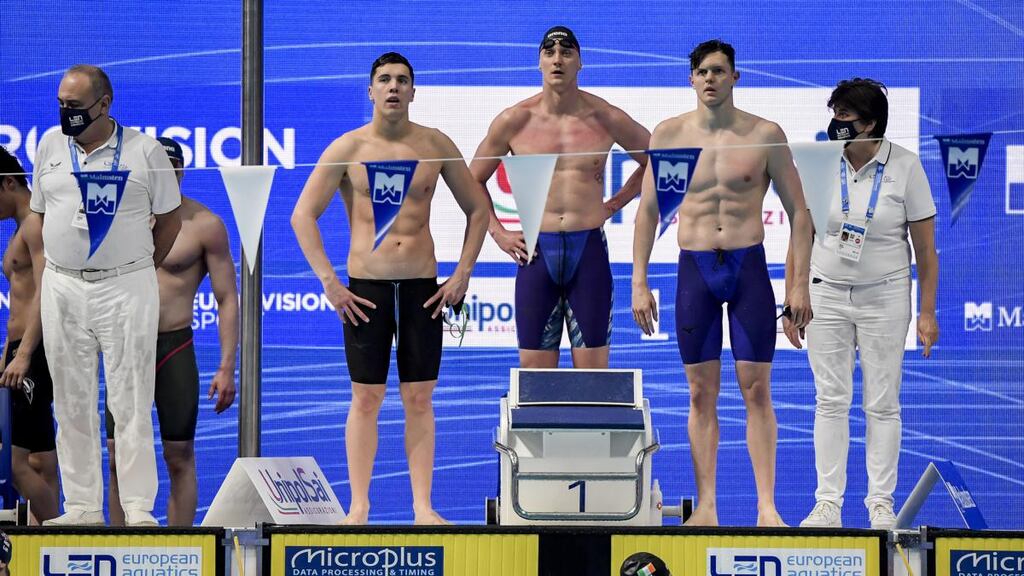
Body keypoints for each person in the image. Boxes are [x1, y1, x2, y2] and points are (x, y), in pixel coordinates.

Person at [291, 52, 489, 525]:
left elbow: (478, 210)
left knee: (420, 398)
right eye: (385, 80)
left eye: (402, 80)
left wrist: (462, 274)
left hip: (423, 288)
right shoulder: (348, 148)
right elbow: (302, 216)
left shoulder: (435, 144)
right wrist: (330, 284)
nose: (394, 87)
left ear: (414, 92)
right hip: (367, 291)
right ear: (371, 90)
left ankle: (423, 506)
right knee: (365, 398)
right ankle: (359, 505)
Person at [632, 39, 813, 526]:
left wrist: (799, 286)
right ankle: (707, 505)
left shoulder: (764, 135)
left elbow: (800, 215)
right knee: (699, 393)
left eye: (718, 71)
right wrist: (639, 279)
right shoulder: (668, 136)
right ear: (690, 79)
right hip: (694, 271)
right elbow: (648, 212)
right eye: (701, 72)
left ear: (736, 76)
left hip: (748, 268)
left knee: (756, 390)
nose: (709, 79)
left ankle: (767, 506)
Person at [32, 64, 182, 526]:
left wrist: (136, 268)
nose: (65, 113)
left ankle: (137, 508)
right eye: (61, 104)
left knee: (130, 399)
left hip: (126, 283)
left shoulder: (144, 151)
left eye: (74, 106)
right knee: (71, 400)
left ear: (104, 104)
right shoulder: (50, 146)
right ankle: (82, 508)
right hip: (62, 284)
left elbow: (170, 219)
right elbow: (41, 215)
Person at [795, 78, 938, 530]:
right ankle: (827, 505)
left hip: (886, 295)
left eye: (845, 116)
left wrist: (927, 312)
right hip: (827, 294)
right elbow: (803, 232)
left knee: (882, 404)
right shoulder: (820, 163)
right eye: (834, 113)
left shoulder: (907, 167)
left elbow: (926, 252)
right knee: (830, 400)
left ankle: (881, 504)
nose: (836, 122)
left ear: (871, 123)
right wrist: (795, 291)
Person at [470, 26, 650, 368]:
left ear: (580, 63)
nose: (557, 60)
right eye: (549, 53)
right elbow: (472, 182)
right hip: (537, 255)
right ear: (539, 63)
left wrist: (614, 204)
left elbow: (658, 161)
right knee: (537, 383)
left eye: (567, 53)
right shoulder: (514, 121)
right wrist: (499, 233)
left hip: (589, 253)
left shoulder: (605, 117)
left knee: (593, 380)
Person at [106, 137, 238, 526]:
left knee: (178, 455)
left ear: (181, 173)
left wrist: (227, 366)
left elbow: (227, 298)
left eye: (170, 170)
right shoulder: (116, 222)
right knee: (117, 455)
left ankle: (182, 551)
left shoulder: (204, 225)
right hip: (127, 346)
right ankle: (117, 550)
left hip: (173, 346)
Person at [0, 146, 59, 523]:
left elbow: (45, 291)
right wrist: (8, 351)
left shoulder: (37, 225)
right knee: (40, 458)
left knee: (16, 462)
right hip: (22, 350)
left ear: (6, 184)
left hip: (34, 352)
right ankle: (44, 542)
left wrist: (23, 355)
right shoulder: (23, 228)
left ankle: (58, 536)